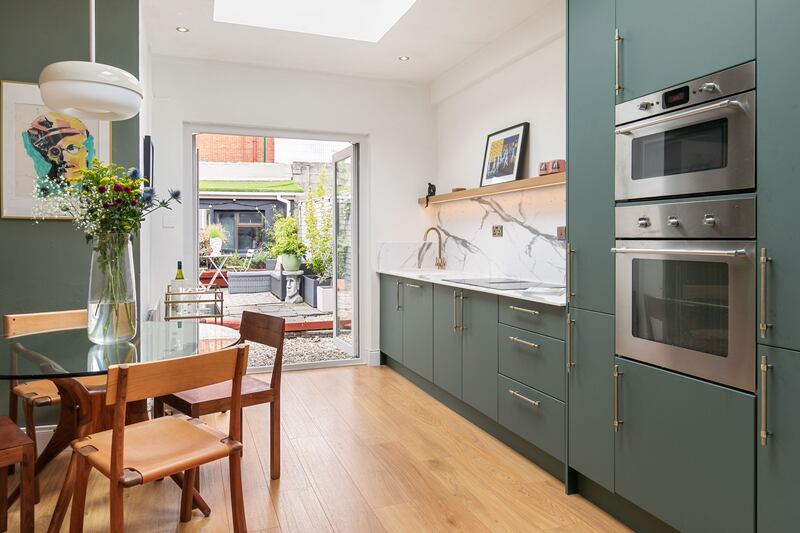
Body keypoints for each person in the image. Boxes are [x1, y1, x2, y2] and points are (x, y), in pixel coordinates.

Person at [23, 112, 94, 196]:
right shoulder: (46, 189)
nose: (65, 159)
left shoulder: (92, 187)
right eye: (55, 152)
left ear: (86, 150)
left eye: (72, 148)